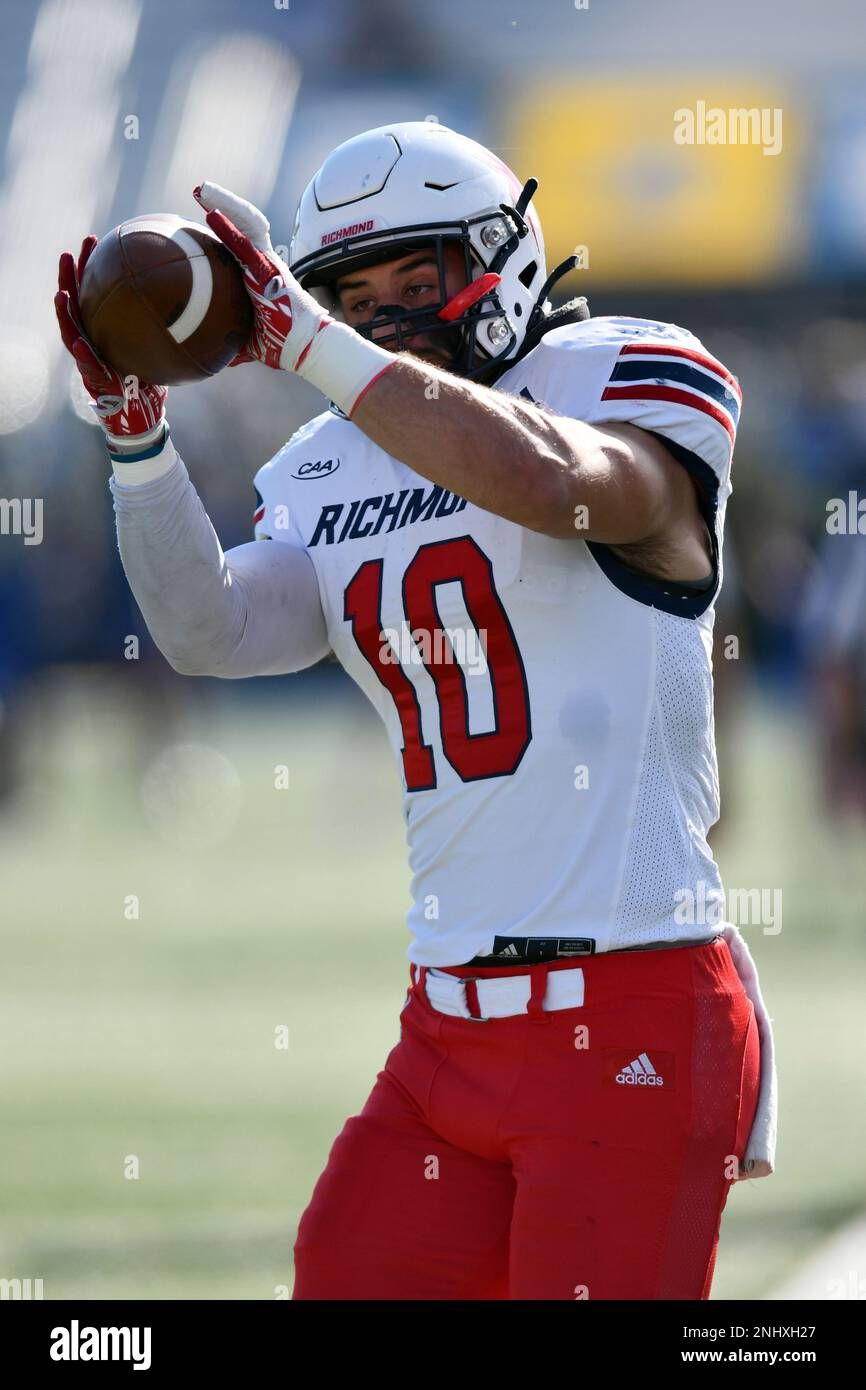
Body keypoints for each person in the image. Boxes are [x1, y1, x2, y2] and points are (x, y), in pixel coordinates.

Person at [55, 120, 777, 1300]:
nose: (379, 310)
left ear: (501, 259)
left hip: (629, 1003)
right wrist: (138, 442)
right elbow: (212, 630)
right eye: (350, 289)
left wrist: (315, 342)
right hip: (444, 1021)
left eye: (415, 276)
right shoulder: (330, 461)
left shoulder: (626, 370)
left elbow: (558, 486)